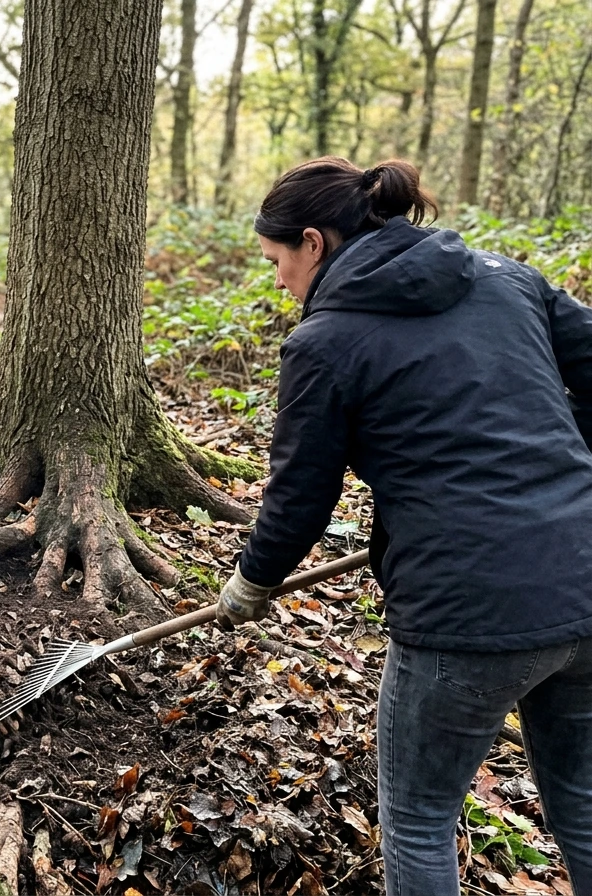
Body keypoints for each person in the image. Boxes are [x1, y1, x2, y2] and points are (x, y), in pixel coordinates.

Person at [213, 156, 592, 896]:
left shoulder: (324, 343)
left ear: (314, 243)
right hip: (586, 581)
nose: (279, 280)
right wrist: (566, 466)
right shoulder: (507, 279)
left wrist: (251, 583)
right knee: (582, 797)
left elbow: (300, 498)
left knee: (419, 817)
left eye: (276, 261)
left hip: (467, 613)